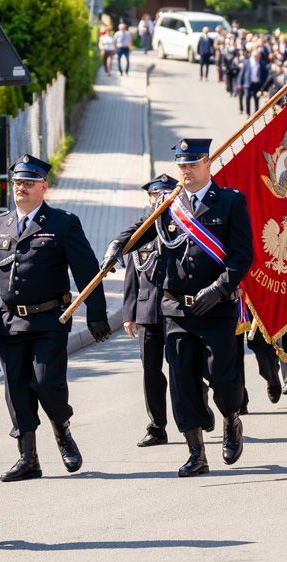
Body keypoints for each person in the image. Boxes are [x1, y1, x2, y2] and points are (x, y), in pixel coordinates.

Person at [102, 138, 253, 477]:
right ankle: (196, 453)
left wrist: (217, 289)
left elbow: (243, 255)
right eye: (182, 166)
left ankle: (231, 419)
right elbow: (138, 231)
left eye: (192, 164)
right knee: (183, 382)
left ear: (207, 163)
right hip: (177, 311)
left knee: (221, 377)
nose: (186, 171)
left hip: (216, 308)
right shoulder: (169, 203)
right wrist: (116, 246)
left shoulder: (230, 202)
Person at [0, 155, 110, 482]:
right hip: (10, 323)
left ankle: (62, 432)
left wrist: (97, 315)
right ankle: (28, 457)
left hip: (50, 321)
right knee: (16, 388)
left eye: (28, 183)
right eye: (17, 183)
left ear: (44, 186)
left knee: (45, 382)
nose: (21, 189)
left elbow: (87, 271)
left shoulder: (62, 223)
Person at [123, 174, 177, 447]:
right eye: (157, 195)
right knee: (151, 373)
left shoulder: (183, 227)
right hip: (146, 313)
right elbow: (132, 274)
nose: (162, 199)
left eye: (167, 193)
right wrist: (128, 313)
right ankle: (157, 427)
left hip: (176, 312)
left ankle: (195, 411)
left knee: (182, 370)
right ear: (150, 199)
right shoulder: (141, 231)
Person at [236, 49, 268, 118]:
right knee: (247, 97)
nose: (259, 57)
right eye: (258, 56)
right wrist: (239, 82)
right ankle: (248, 113)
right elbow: (242, 72)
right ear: (254, 56)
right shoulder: (247, 62)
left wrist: (264, 85)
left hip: (257, 83)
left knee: (256, 98)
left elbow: (264, 74)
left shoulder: (261, 63)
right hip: (248, 83)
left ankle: (256, 113)